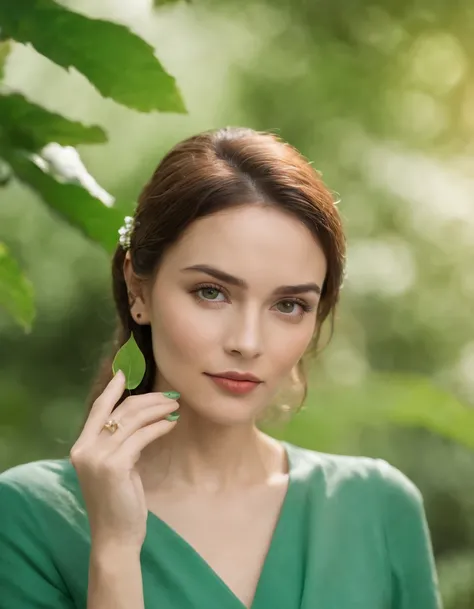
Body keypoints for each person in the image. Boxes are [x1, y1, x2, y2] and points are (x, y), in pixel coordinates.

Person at [0, 127, 442, 609]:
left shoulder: (377, 508)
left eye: (289, 304)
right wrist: (114, 551)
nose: (248, 343)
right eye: (211, 292)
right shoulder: (29, 516)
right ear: (138, 290)